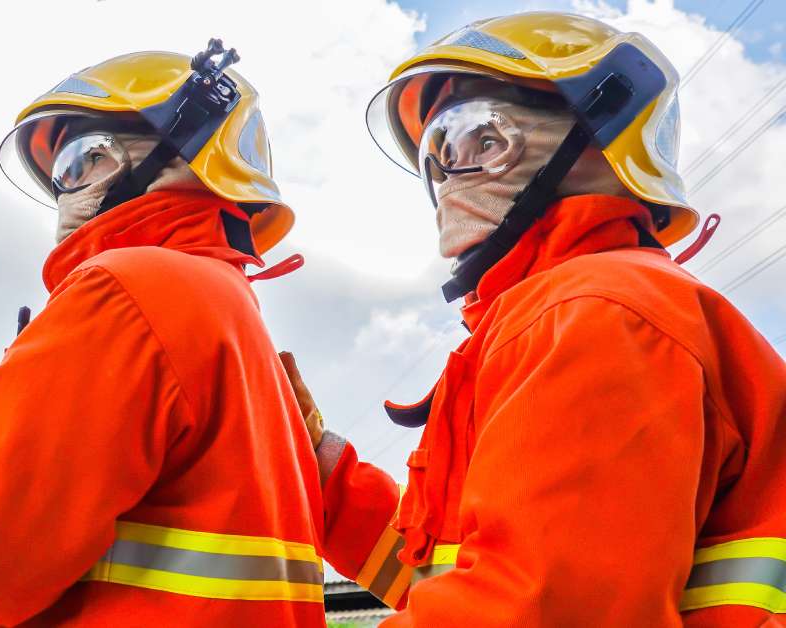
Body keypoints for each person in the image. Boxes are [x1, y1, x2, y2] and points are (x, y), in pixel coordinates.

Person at [281, 12, 786, 627]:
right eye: (435, 156)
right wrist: (323, 471)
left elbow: (536, 608)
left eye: (481, 141)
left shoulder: (596, 313)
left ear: (595, 144)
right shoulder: (560, 312)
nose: (447, 179)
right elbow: (442, 577)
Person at [0, 40, 327, 627]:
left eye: (91, 156)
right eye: (62, 175)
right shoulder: (227, 315)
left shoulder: (135, 290)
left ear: (186, 159)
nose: (68, 196)